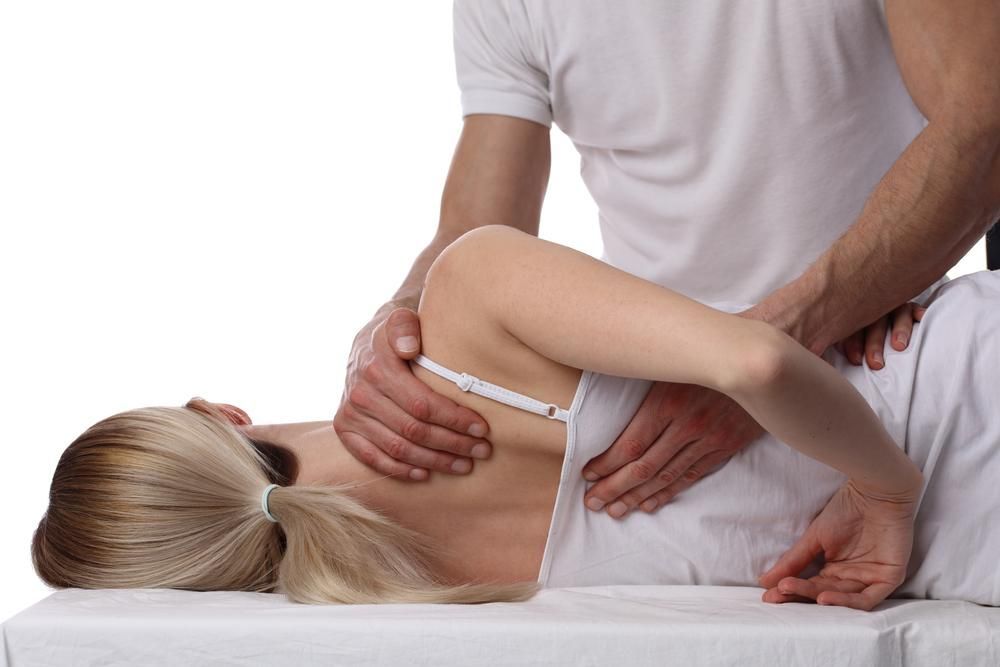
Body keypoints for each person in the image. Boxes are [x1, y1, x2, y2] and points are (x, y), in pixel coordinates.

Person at [31, 227, 1000, 610]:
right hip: (952, 393)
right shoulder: (466, 303)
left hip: (961, 560)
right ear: (216, 410)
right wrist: (883, 487)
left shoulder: (391, 599)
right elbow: (752, 359)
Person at [332, 0, 1000, 518]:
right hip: (668, 423)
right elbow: (477, 231)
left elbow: (984, 119)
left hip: (884, 364)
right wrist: (393, 323)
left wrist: (771, 355)